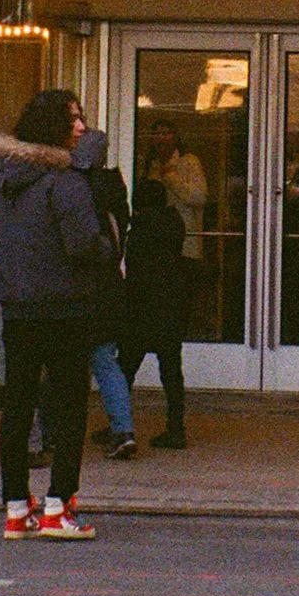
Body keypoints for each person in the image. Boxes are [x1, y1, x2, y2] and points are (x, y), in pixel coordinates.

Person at [0, 88, 113, 540]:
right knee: (68, 406)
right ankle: (59, 506)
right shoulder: (66, 181)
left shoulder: (0, 180)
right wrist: (106, 249)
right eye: (73, 119)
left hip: (17, 307)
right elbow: (83, 244)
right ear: (53, 128)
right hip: (64, 306)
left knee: (17, 406)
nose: (81, 127)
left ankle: (17, 508)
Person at [74, 118, 139, 460]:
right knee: (105, 360)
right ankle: (122, 428)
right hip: (110, 283)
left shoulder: (72, 187)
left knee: (66, 361)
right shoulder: (115, 187)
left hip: (79, 284)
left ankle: (53, 431)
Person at [121, 176, 191, 449]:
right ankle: (176, 427)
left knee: (125, 367)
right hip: (171, 302)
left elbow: (136, 269)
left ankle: (120, 423)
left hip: (143, 305)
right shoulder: (174, 224)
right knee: (171, 370)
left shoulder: (140, 229)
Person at [142, 119, 207, 257]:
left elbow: (199, 197)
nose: (161, 139)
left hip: (185, 239)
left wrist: (171, 178)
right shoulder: (150, 166)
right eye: (157, 134)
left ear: (176, 138)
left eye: (165, 134)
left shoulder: (189, 162)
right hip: (156, 240)